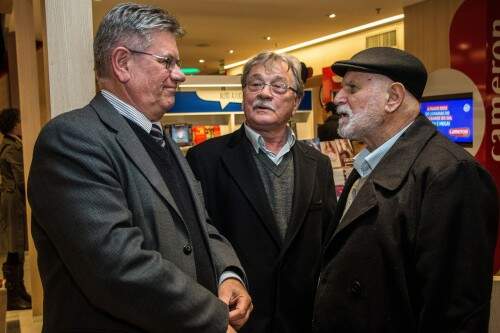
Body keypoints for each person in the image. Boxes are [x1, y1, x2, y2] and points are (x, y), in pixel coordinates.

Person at [28, 3, 252, 332]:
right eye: (167, 62)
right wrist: (212, 318)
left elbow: (200, 225)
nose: (178, 74)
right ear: (122, 63)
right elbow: (115, 266)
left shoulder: (161, 140)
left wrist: (228, 274)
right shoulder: (73, 139)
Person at [313, 47, 499, 333]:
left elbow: (455, 312)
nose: (337, 98)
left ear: (393, 98)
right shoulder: (367, 163)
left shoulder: (451, 174)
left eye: (352, 88)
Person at [187, 51, 337, 333]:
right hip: (237, 318)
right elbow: (196, 240)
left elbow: (327, 241)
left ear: (295, 102)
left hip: (302, 318)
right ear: (243, 94)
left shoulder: (318, 164)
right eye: (255, 84)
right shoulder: (204, 159)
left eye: (278, 86)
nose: (264, 94)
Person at [0, 108, 31, 310]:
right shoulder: (11, 148)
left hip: (12, 199)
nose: (22, 124)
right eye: (20, 121)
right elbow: (21, 177)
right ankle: (13, 297)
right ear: (14, 124)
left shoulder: (12, 144)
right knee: (14, 246)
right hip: (12, 201)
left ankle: (18, 291)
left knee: (16, 247)